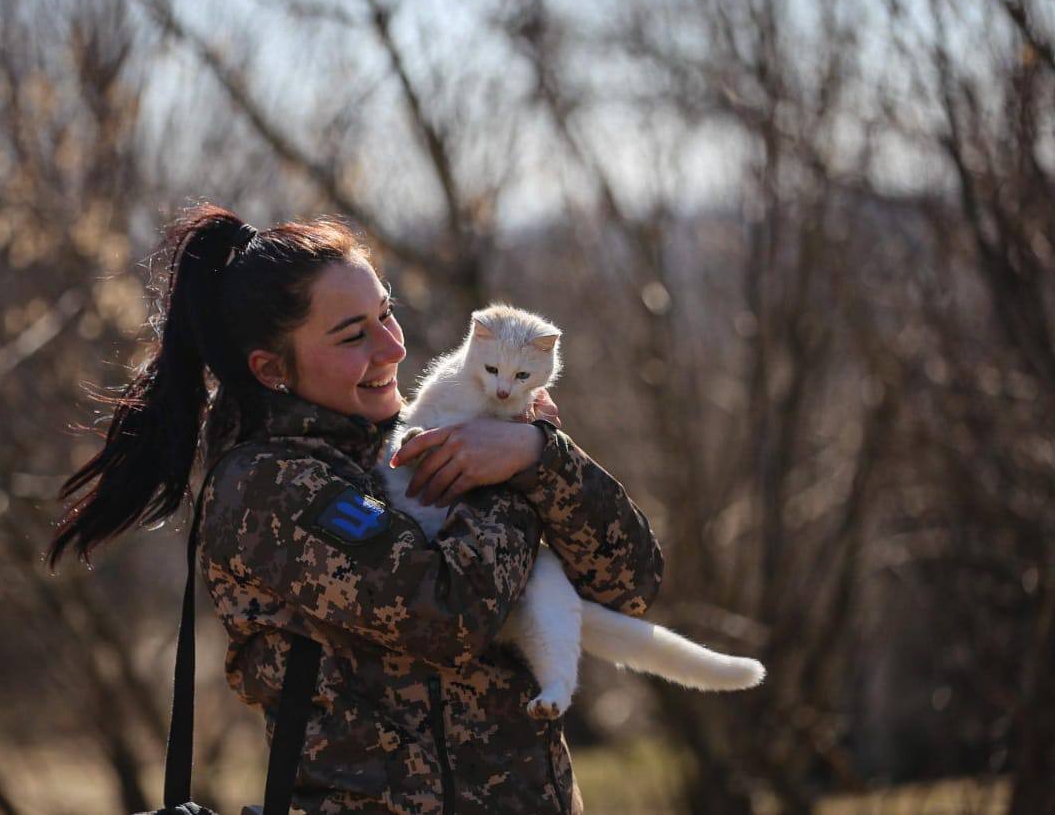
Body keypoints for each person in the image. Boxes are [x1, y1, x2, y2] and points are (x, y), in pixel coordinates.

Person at [47, 202, 663, 815]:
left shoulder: (440, 432)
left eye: (386, 313)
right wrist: (503, 476)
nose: (392, 347)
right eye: (353, 334)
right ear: (271, 369)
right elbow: (446, 615)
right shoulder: (269, 488)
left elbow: (629, 586)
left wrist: (541, 456)